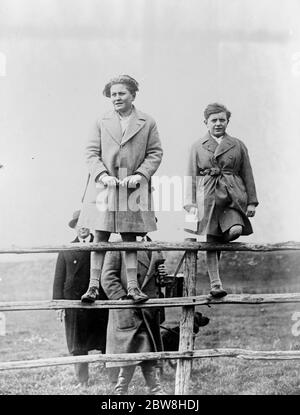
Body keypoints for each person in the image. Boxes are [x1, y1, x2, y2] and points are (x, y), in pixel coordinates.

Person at [78, 74, 163, 304]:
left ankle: (134, 287)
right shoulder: (101, 121)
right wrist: (102, 175)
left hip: (131, 186)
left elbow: (155, 153)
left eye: (121, 93)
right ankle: (93, 286)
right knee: (100, 234)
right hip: (105, 186)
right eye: (113, 94)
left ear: (133, 95)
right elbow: (90, 153)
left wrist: (139, 175)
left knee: (130, 237)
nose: (116, 98)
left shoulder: (147, 122)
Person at [184, 103, 258, 298]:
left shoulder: (238, 144)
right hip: (208, 196)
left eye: (222, 120)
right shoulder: (197, 146)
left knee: (235, 230)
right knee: (211, 238)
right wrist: (189, 202)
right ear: (206, 123)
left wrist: (252, 201)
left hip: (233, 195)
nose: (218, 124)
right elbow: (191, 175)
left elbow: (247, 173)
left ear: (227, 121)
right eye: (214, 120)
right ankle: (215, 284)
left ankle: (221, 237)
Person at [101, 235, 166, 395]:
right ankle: (150, 389)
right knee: (132, 349)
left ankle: (129, 389)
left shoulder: (154, 243)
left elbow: (153, 276)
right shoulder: (118, 243)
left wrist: (161, 276)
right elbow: (108, 277)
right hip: (128, 306)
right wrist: (123, 300)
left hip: (149, 308)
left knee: (146, 347)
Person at [52, 210, 108, 385]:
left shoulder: (101, 246)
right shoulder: (67, 249)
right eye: (78, 223)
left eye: (85, 222)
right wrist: (59, 304)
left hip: (98, 299)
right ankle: (82, 380)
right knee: (78, 344)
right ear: (75, 227)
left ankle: (112, 377)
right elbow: (58, 278)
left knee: (104, 338)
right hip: (74, 301)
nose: (82, 226)